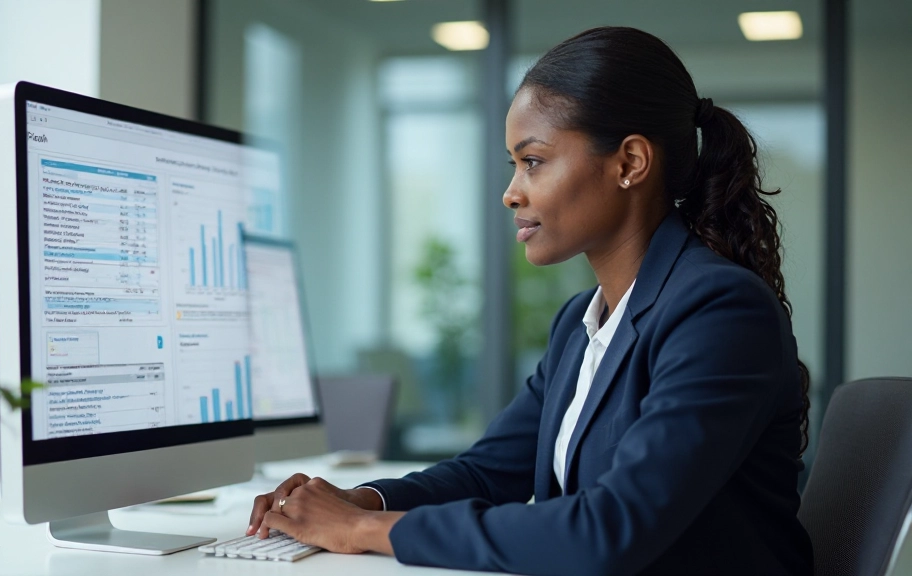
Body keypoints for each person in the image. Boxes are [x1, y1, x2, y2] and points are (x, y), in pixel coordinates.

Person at [246, 26, 814, 576]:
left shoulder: (718, 311)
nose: (511, 192)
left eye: (533, 162)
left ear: (629, 163)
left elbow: (608, 530)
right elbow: (488, 473)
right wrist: (359, 501)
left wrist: (363, 531)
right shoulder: (581, 325)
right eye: (514, 165)